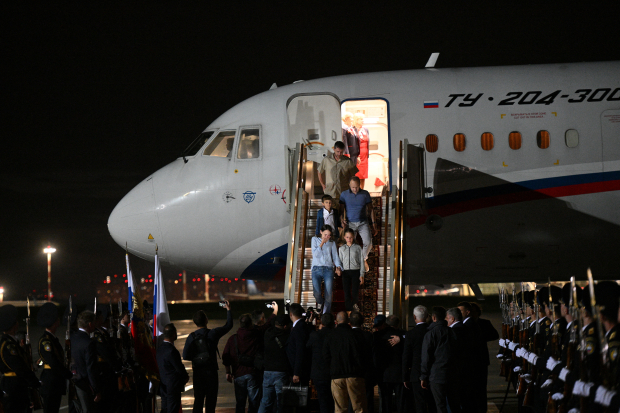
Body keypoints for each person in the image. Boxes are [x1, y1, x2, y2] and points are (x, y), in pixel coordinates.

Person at [223, 302, 278, 413]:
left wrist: (228, 372)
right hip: (253, 373)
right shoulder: (256, 333)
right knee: (254, 402)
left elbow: (225, 356)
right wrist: (275, 311)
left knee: (240, 403)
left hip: (238, 375)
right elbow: (267, 324)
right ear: (250, 324)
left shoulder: (232, 339)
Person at [183, 300, 233, 413]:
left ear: (195, 322)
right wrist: (228, 309)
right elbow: (228, 325)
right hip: (211, 372)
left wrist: (197, 357)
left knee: (198, 400)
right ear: (206, 320)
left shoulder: (191, 337)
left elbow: (185, 356)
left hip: (198, 373)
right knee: (211, 401)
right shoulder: (213, 333)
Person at [0, 304, 41, 413]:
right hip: (14, 387)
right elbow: (20, 368)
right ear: (15, 325)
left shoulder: (11, 343)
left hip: (16, 386)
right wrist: (35, 383)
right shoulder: (9, 346)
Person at [323, 312, 367, 413]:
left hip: (337, 375)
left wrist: (332, 366)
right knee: (359, 408)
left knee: (340, 408)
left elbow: (325, 355)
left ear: (336, 321)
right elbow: (362, 355)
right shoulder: (356, 335)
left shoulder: (330, 335)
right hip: (354, 374)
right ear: (348, 321)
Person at [420, 306, 460, 413]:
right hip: (452, 374)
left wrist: (423, 376)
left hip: (436, 375)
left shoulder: (430, 334)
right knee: (454, 404)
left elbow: (426, 357)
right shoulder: (452, 332)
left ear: (433, 318)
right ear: (445, 317)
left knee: (440, 405)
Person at [37, 302, 73, 413]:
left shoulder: (51, 339)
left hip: (54, 382)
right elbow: (53, 362)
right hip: (51, 383)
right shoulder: (46, 341)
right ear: (55, 323)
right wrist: (68, 374)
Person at [340, 176, 378, 272]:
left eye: (357, 187)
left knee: (368, 242)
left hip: (363, 222)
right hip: (350, 223)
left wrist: (374, 224)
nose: (355, 189)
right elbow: (341, 210)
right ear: (349, 185)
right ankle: (351, 263)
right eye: (353, 187)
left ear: (359, 185)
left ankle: (363, 258)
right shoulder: (344, 194)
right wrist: (341, 220)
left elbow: (371, 209)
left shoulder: (365, 194)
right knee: (350, 243)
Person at [403, 305, 435, 413]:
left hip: (416, 373)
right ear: (427, 316)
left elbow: (406, 356)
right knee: (432, 403)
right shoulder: (432, 331)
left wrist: (405, 376)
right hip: (433, 372)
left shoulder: (411, 334)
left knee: (419, 403)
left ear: (414, 317)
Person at [469, 302, 499, 413]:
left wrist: (480, 337)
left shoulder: (484, 323)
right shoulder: (465, 324)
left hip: (481, 359)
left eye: (473, 311)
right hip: (470, 360)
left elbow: (494, 335)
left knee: (481, 387)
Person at [258, 314, 292, 413]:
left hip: (267, 371)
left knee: (265, 402)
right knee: (280, 403)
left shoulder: (268, 334)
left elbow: (269, 325)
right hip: (281, 373)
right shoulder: (287, 337)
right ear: (285, 326)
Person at [71, 310, 102, 413]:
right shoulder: (89, 343)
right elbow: (90, 368)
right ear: (90, 324)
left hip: (73, 382)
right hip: (84, 384)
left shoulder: (72, 338)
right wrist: (96, 389)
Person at [374, 315, 406, 413]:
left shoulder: (378, 335)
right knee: (401, 401)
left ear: (386, 323)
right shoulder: (403, 335)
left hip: (384, 373)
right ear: (398, 323)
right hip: (400, 373)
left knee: (386, 402)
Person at [446, 307, 475, 413]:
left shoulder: (453, 332)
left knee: (454, 400)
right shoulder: (468, 329)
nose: (445, 321)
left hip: (456, 370)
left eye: (446, 319)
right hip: (468, 369)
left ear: (452, 319)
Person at [156, 323, 189, 413]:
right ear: (174, 334)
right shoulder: (172, 351)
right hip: (173, 387)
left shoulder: (159, 349)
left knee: (165, 409)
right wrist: (185, 377)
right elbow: (179, 368)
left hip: (163, 386)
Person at [307, 312, 336, 413]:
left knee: (323, 402)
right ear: (333, 323)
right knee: (335, 402)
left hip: (318, 374)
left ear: (321, 322)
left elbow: (307, 348)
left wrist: (310, 323)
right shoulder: (335, 335)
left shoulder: (315, 335)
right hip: (333, 373)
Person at [311, 225, 343, 313]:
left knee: (328, 294)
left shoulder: (332, 242)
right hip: (316, 268)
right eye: (325, 234)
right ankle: (320, 302)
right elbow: (315, 255)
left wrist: (338, 267)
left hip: (328, 269)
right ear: (321, 232)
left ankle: (326, 313)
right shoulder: (314, 239)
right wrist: (322, 243)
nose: (327, 237)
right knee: (316, 293)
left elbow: (335, 256)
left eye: (329, 235)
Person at [350, 312, 376, 413]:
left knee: (352, 399)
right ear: (362, 322)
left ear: (350, 322)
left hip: (352, 372)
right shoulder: (368, 336)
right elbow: (373, 355)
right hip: (367, 372)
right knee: (368, 399)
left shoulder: (348, 335)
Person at [338, 228, 364, 312]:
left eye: (351, 237)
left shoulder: (358, 248)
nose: (349, 239)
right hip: (346, 272)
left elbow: (361, 261)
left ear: (354, 237)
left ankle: (355, 304)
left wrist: (361, 274)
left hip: (355, 271)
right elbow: (340, 261)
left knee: (355, 291)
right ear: (344, 237)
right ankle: (348, 309)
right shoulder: (341, 249)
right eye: (347, 237)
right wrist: (338, 269)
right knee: (346, 291)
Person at [287, 303, 311, 386]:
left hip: (299, 372)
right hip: (302, 369)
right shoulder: (303, 326)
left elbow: (300, 351)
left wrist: (296, 372)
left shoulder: (298, 328)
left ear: (291, 314)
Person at [353, 113, 370, 189]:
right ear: (356, 120)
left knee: (363, 174)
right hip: (357, 155)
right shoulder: (352, 130)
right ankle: (356, 190)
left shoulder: (365, 129)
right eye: (361, 119)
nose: (363, 121)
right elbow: (353, 144)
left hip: (365, 155)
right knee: (357, 174)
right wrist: (357, 155)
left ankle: (362, 189)